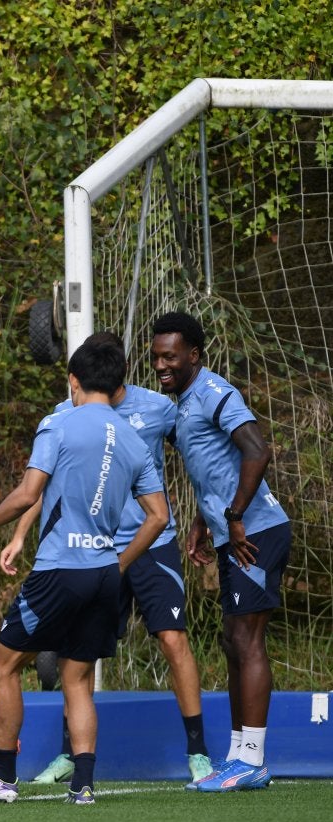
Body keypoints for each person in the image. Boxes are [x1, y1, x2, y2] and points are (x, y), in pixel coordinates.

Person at [0, 337, 168, 805]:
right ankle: (83, 786)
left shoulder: (59, 424)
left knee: (4, 665)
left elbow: (30, 493)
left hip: (59, 569)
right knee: (78, 677)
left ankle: (2, 778)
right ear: (119, 382)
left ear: (74, 381)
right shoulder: (133, 439)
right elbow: (159, 517)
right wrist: (119, 562)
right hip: (105, 573)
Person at [0, 333, 212, 786]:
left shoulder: (156, 408)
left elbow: (194, 458)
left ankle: (198, 751)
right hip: (94, 553)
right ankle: (70, 757)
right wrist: (19, 535)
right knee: (82, 657)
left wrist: (211, 514)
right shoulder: (65, 415)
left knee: (173, 639)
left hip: (151, 544)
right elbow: (43, 488)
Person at [151, 311, 291, 792]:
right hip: (234, 533)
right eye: (155, 358)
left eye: (170, 356)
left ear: (194, 354)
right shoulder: (186, 402)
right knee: (232, 640)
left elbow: (257, 450)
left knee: (248, 641)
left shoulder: (214, 393)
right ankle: (237, 756)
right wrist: (203, 523)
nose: (161, 365)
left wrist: (233, 516)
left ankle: (252, 761)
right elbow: (215, 469)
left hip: (256, 534)